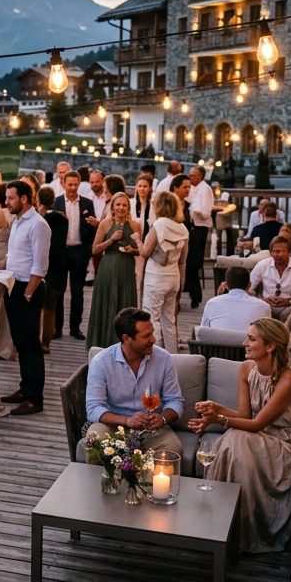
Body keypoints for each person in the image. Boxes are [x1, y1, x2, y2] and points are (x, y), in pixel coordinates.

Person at [189, 318, 291, 553]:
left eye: (251, 339)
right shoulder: (246, 369)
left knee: (235, 439)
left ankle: (236, 531)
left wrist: (218, 420)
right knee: (234, 439)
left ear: (271, 346)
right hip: (262, 434)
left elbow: (257, 424)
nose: (244, 343)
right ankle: (217, 524)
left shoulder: (288, 381)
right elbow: (244, 415)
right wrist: (217, 408)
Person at [86, 308, 186, 457]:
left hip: (152, 429)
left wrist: (163, 418)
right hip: (115, 426)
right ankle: (100, 481)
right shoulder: (101, 362)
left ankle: (152, 481)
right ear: (127, 338)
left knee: (173, 449)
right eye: (146, 336)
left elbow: (175, 401)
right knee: (95, 436)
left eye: (152, 333)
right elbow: (94, 408)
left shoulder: (163, 359)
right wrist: (127, 420)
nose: (153, 339)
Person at [1, 181, 51, 414]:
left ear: (23, 199)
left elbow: (40, 265)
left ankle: (35, 399)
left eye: (10, 198)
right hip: (13, 286)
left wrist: (29, 292)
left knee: (31, 345)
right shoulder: (18, 221)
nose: (6, 202)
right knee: (20, 343)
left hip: (28, 289)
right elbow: (15, 256)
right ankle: (24, 388)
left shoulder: (38, 225)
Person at [85, 192, 142, 349]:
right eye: (118, 204)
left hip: (126, 267)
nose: (121, 208)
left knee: (125, 303)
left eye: (124, 205)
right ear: (112, 207)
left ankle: (124, 344)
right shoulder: (105, 223)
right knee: (107, 302)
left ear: (128, 207)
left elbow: (141, 250)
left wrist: (133, 250)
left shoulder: (136, 225)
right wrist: (111, 240)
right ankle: (103, 342)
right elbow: (95, 249)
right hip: (108, 266)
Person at [138, 191, 189, 349]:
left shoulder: (159, 225)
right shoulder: (182, 228)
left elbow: (145, 252)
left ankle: (156, 355)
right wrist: (181, 282)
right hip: (173, 277)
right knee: (169, 321)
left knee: (152, 318)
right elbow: (182, 260)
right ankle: (173, 358)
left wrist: (137, 240)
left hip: (156, 278)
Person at [53, 171, 97, 340]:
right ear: (63, 184)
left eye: (75, 184)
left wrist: (88, 248)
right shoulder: (56, 202)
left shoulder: (87, 203)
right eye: (69, 184)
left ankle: (75, 328)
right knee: (59, 291)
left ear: (79, 184)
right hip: (61, 252)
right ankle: (57, 328)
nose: (72, 188)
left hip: (79, 251)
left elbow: (91, 227)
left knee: (77, 292)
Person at [36, 186, 67, 353]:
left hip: (44, 267)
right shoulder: (63, 219)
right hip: (58, 268)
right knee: (50, 309)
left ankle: (37, 340)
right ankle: (46, 343)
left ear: (38, 200)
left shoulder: (40, 220)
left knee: (39, 308)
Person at [184, 166, 215, 308]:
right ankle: (193, 292)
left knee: (194, 259)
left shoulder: (205, 189)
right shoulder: (193, 188)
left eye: (193, 176)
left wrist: (194, 212)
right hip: (191, 226)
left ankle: (195, 293)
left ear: (201, 176)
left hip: (200, 227)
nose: (191, 178)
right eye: (190, 176)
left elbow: (205, 211)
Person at [202, 266, 271, 330]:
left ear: (226, 285)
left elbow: (202, 331)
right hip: (249, 342)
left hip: (218, 342)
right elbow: (267, 334)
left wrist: (218, 296)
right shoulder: (264, 306)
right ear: (249, 285)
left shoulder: (211, 303)